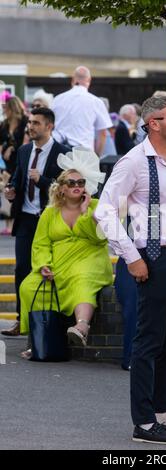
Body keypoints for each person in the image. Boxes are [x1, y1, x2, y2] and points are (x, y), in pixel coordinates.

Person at [95, 94, 166, 445]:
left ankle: (164, 415)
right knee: (148, 342)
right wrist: (131, 256)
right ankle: (144, 424)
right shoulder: (133, 162)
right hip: (153, 257)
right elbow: (104, 212)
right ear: (154, 124)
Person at [19, 169, 113, 354]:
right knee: (29, 286)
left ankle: (82, 327)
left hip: (90, 258)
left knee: (81, 278)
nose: (77, 186)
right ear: (61, 188)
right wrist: (44, 265)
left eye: (81, 182)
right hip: (59, 262)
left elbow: (100, 239)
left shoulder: (96, 206)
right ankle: (41, 338)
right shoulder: (50, 212)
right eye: (71, 183)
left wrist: (86, 213)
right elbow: (41, 243)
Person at [1, 108, 69, 337]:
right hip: (26, 219)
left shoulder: (62, 153)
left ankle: (47, 322)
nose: (30, 126)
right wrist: (11, 191)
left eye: (36, 123)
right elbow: (20, 178)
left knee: (47, 269)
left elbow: (66, 188)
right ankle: (22, 320)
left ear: (49, 126)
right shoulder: (24, 150)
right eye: (30, 122)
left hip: (49, 220)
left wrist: (42, 181)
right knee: (22, 269)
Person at [52, 66, 112, 155]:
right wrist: (97, 157)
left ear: (73, 80)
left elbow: (49, 125)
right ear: (89, 80)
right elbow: (103, 133)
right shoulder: (96, 102)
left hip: (58, 150)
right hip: (83, 153)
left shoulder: (57, 99)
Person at [0, 96, 29, 234]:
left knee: (16, 188)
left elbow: (26, 141)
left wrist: (12, 148)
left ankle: (15, 222)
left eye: (6, 107)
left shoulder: (24, 121)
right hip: (5, 162)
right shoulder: (4, 124)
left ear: (12, 108)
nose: (4, 110)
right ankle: (7, 224)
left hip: (19, 160)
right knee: (5, 189)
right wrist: (4, 147)